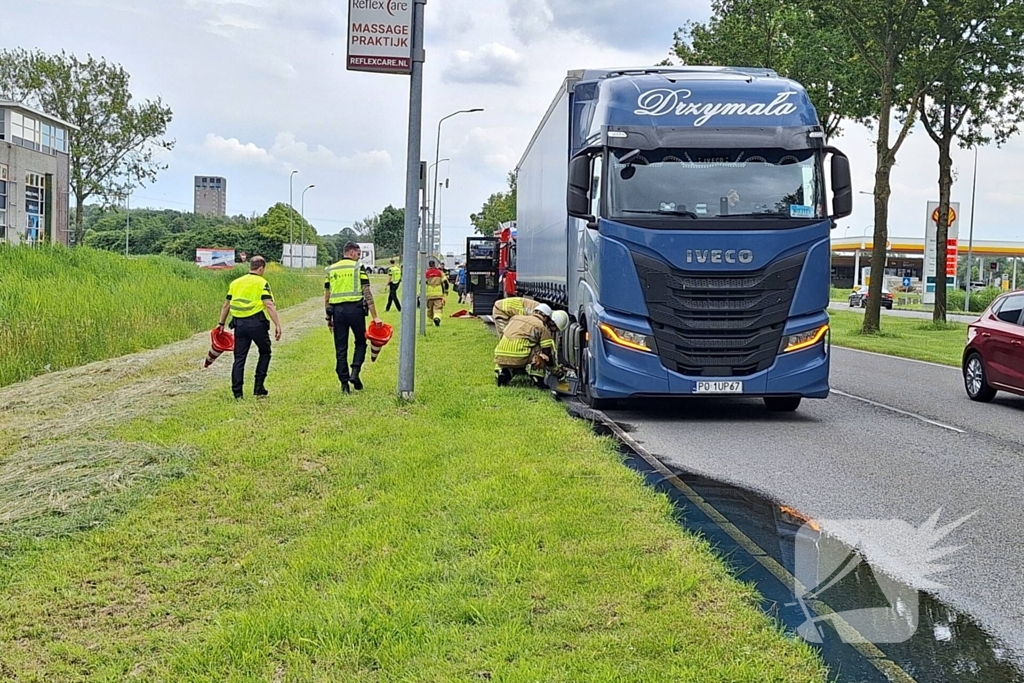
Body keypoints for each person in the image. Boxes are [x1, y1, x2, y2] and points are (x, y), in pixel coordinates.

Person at [217, 256, 282, 399]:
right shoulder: (262, 283)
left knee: (239, 358)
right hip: (256, 323)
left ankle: (237, 393)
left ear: (250, 266)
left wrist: (221, 324)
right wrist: (277, 324)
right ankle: (259, 388)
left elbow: (226, 305)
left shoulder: (236, 283)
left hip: (239, 325)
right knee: (265, 352)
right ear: (261, 268)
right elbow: (269, 304)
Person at [326, 242, 381, 394]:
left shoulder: (331, 269)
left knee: (340, 347)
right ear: (351, 253)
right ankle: (355, 372)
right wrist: (375, 316)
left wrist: (328, 317)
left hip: (338, 312)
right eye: (358, 254)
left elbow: (327, 295)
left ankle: (344, 383)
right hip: (355, 310)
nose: (359, 257)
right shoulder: (358, 268)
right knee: (361, 342)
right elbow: (367, 292)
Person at [494, 303, 570, 387]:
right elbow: (548, 354)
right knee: (542, 350)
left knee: (519, 350)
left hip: (499, 356)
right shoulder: (541, 327)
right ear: (546, 317)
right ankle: (537, 377)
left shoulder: (515, 318)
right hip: (519, 356)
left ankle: (504, 373)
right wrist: (558, 373)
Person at [425, 259, 446, 327]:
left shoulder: (426, 273)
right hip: (438, 294)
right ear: (435, 264)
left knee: (429, 309)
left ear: (429, 265)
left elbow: (422, 282)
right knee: (438, 308)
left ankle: (429, 323)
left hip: (429, 294)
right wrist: (446, 291)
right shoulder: (440, 272)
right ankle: (437, 318)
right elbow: (445, 282)